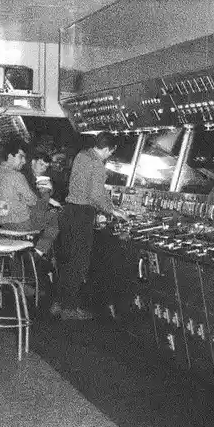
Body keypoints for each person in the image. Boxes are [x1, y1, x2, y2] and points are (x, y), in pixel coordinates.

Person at [51, 132, 123, 320]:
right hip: (82, 214)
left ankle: (58, 304)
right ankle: (70, 309)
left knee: (67, 261)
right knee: (79, 263)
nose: (109, 157)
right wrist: (113, 211)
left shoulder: (82, 155)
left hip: (69, 212)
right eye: (110, 153)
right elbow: (96, 195)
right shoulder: (97, 164)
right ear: (108, 149)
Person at [0, 139, 59, 257]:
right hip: (19, 224)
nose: (24, 161)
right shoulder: (17, 176)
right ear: (10, 156)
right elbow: (33, 201)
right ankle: (37, 254)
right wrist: (46, 192)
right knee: (55, 216)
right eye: (21, 157)